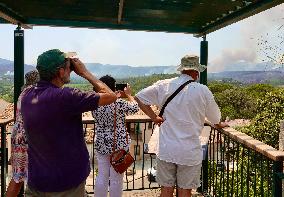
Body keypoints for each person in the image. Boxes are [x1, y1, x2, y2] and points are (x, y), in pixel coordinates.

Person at [20, 49, 117, 196]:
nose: (70, 71)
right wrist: (84, 72)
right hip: (66, 184)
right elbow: (111, 96)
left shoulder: (26, 95)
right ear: (60, 72)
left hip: (36, 182)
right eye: (68, 68)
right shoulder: (65, 96)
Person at [135, 55, 225, 197]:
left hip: (166, 149)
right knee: (185, 190)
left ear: (182, 70)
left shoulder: (164, 85)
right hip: (189, 151)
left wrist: (154, 117)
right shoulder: (203, 91)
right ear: (196, 72)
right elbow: (215, 118)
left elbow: (139, 97)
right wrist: (220, 123)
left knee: (166, 189)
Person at [92, 75, 139, 197]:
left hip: (101, 142)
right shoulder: (118, 103)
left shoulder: (94, 102)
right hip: (118, 144)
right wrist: (128, 94)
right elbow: (134, 108)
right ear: (112, 87)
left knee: (102, 175)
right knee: (116, 178)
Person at [6, 70, 40, 197]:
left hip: (18, 137)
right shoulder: (34, 94)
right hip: (27, 139)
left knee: (18, 177)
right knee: (20, 178)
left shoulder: (24, 93)